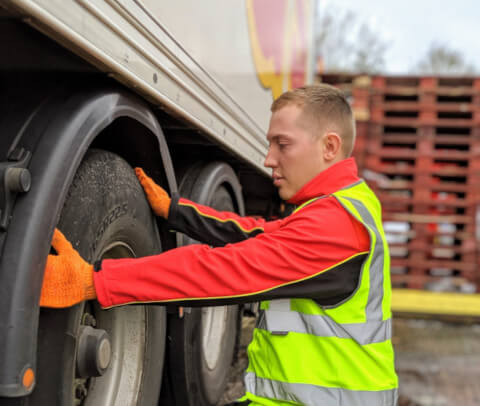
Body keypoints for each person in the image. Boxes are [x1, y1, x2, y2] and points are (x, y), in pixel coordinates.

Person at [40, 84, 398, 406]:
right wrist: (178, 212)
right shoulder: (340, 208)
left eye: (282, 144)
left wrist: (96, 279)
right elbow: (259, 235)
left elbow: (223, 270)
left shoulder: (338, 227)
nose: (268, 159)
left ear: (329, 147)